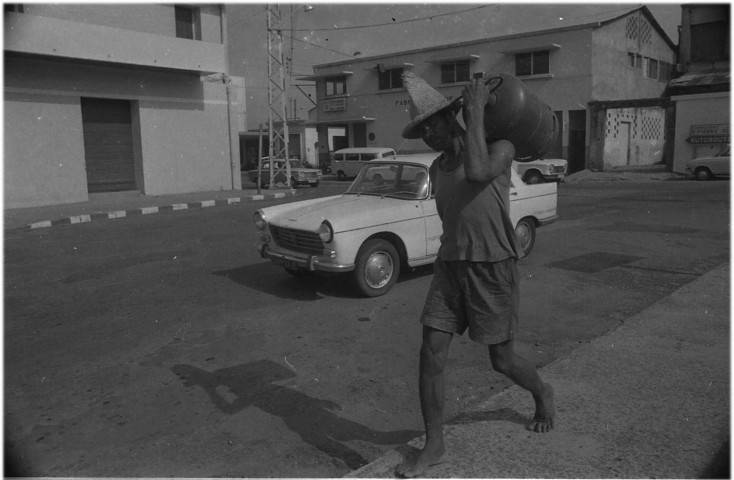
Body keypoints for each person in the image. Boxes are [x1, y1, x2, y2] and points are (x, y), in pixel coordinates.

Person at [395, 72, 556, 479]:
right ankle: (434, 445)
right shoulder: (435, 167)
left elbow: (479, 172)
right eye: (422, 128)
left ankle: (542, 392)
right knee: (430, 352)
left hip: (493, 266)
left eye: (434, 121)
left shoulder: (500, 148)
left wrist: (476, 110)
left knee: (501, 360)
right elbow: (451, 216)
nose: (429, 132)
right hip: (450, 268)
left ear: (454, 115)